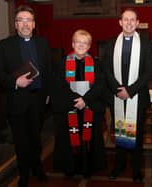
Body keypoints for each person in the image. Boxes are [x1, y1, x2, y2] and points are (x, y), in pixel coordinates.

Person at [0, 5, 51, 187]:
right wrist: (15, 82)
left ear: (34, 24)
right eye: (21, 20)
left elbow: (48, 70)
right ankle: (24, 173)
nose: (25, 24)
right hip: (17, 99)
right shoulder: (5, 45)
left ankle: (37, 167)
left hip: (38, 99)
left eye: (28, 20)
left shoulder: (43, 43)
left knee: (36, 137)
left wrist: (48, 93)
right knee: (21, 141)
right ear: (16, 24)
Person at [102, 8, 152, 183]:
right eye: (126, 19)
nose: (129, 23)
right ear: (120, 22)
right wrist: (118, 89)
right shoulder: (110, 43)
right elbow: (106, 69)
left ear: (137, 23)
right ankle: (119, 165)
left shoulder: (145, 43)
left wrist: (130, 91)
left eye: (133, 20)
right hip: (116, 96)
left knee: (136, 135)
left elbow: (149, 72)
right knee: (119, 133)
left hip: (137, 97)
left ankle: (136, 168)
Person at [52, 29, 106, 178]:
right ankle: (70, 167)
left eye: (85, 43)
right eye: (78, 42)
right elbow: (60, 85)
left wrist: (85, 100)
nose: (81, 45)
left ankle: (87, 168)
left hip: (90, 106)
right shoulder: (62, 63)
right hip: (69, 107)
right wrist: (76, 100)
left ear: (89, 46)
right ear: (73, 43)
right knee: (69, 138)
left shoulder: (96, 63)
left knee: (89, 138)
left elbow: (100, 85)